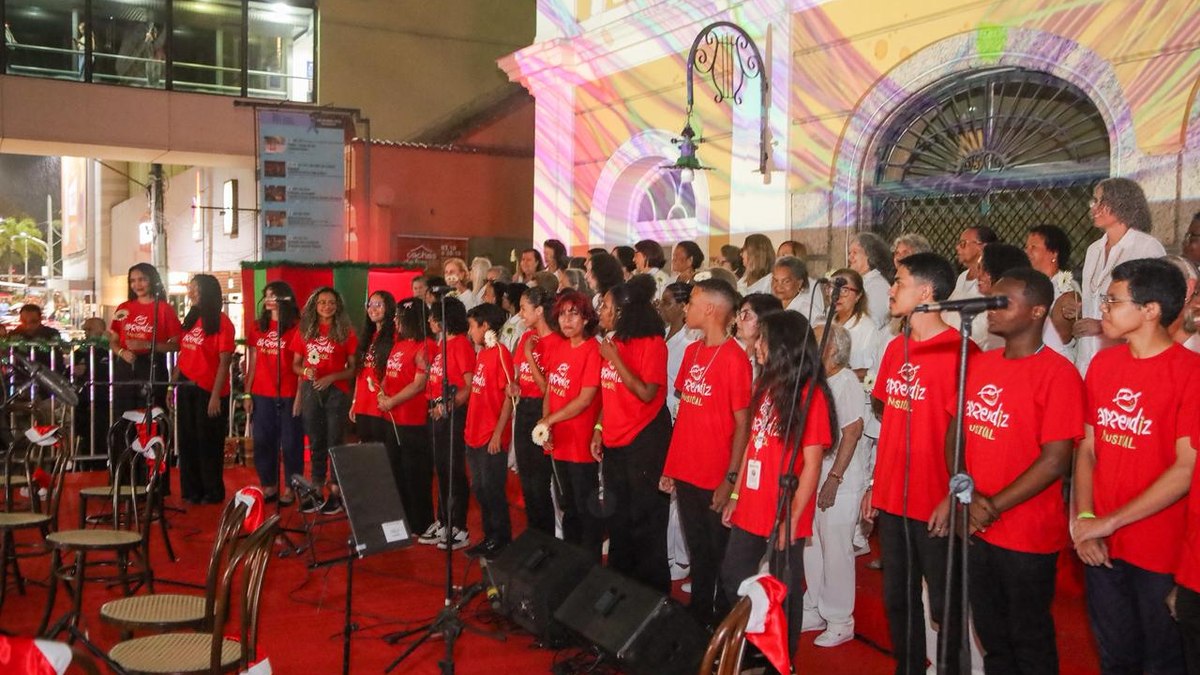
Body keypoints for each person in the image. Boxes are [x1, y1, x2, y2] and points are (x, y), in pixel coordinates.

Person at [1071, 258, 1200, 675]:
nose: (1103, 308)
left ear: (1151, 310)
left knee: (1163, 661)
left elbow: (1185, 470)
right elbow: (1088, 448)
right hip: (1102, 544)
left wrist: (1109, 522)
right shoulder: (1103, 365)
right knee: (1116, 658)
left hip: (1160, 549)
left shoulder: (1189, 373)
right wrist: (1086, 518)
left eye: (1113, 300)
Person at [956, 268, 1084, 675]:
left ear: (1036, 311)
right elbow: (954, 436)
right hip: (976, 523)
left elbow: (1055, 460)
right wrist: (966, 495)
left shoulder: (1059, 374)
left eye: (1003, 301)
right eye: (991, 299)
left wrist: (990, 503)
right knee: (992, 637)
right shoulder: (979, 364)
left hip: (1026, 534)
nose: (991, 309)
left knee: (1028, 639)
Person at [861, 252, 974, 675]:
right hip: (893, 497)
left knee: (946, 604)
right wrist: (876, 483)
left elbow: (966, 436)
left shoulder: (962, 352)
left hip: (935, 500)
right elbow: (890, 420)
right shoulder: (895, 347)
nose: (890, 289)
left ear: (926, 292)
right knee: (897, 599)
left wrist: (953, 495)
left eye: (899, 281)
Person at [720, 310, 834, 671]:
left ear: (782, 346)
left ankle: (783, 661)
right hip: (752, 502)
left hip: (786, 507)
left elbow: (812, 465)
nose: (756, 346)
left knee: (785, 589)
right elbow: (755, 444)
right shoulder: (766, 385)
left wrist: (792, 519)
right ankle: (752, 644)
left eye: (763, 340)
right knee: (733, 574)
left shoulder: (809, 395)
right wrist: (736, 497)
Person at [661, 278, 752, 628]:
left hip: (715, 473)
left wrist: (730, 480)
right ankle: (699, 613)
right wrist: (671, 464)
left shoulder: (735, 359)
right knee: (698, 549)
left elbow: (742, 425)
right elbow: (685, 413)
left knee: (720, 553)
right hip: (686, 468)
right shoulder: (690, 352)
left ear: (711, 309)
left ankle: (723, 624)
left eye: (694, 301)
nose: (687, 308)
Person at [593, 276, 672, 593]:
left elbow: (646, 392)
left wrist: (615, 359)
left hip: (644, 442)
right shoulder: (616, 341)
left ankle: (651, 593)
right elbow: (608, 392)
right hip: (615, 441)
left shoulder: (652, 344)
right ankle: (621, 587)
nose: (601, 310)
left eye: (607, 306)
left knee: (646, 522)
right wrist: (599, 427)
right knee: (619, 519)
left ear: (624, 312)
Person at [802, 323, 868, 649]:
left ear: (830, 349)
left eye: (814, 342)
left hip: (839, 482)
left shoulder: (847, 383)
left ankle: (841, 620)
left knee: (837, 551)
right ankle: (814, 606)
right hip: (815, 476)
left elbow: (853, 432)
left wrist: (833, 479)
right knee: (813, 546)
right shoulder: (819, 381)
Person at [1066, 177, 1166, 375]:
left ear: (1122, 203)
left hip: (1126, 358)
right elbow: (1097, 296)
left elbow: (1152, 311)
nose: (1093, 207)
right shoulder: (1093, 249)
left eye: (1099, 201)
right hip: (1087, 359)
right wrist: (1080, 308)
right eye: (1093, 201)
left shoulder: (1146, 246)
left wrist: (1102, 326)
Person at [538, 290, 604, 560]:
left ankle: (589, 563)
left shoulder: (594, 349)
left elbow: (586, 399)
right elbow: (551, 391)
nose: (567, 320)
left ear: (587, 318)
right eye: (563, 313)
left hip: (581, 442)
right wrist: (546, 428)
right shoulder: (559, 347)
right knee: (567, 506)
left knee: (585, 507)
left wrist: (549, 420)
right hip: (559, 440)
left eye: (574, 313)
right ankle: (570, 560)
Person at [290, 287, 357, 515]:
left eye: (331, 302)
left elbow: (353, 369)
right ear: (314, 306)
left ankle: (336, 494)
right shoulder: (305, 331)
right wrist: (305, 372)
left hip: (337, 391)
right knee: (316, 440)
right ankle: (317, 489)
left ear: (337, 305)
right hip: (311, 390)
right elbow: (295, 364)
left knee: (335, 441)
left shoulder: (346, 331)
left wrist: (332, 377)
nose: (326, 306)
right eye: (322, 303)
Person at [173, 274, 235, 505]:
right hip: (187, 385)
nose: (190, 293)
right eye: (190, 289)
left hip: (209, 388)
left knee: (208, 442)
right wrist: (174, 382)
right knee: (187, 440)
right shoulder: (191, 319)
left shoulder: (221, 322)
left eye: (195, 290)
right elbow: (184, 352)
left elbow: (225, 360)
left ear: (207, 293)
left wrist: (216, 396)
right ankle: (191, 490)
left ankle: (212, 491)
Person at [419, 297, 474, 550]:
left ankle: (458, 526)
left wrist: (449, 407)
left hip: (452, 414)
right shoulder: (443, 344)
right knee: (441, 469)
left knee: (452, 469)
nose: (429, 321)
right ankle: (444, 520)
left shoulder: (461, 344)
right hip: (436, 411)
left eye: (433, 316)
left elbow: (469, 383)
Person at [463, 303, 515, 560]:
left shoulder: (501, 353)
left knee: (491, 488)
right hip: (474, 432)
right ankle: (489, 536)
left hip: (490, 435)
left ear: (486, 326)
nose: (470, 331)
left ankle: (501, 539)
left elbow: (508, 397)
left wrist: (498, 433)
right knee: (481, 489)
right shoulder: (482, 353)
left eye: (473, 326)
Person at [244, 281, 303, 505]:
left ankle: (291, 486)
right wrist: (247, 393)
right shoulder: (258, 326)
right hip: (261, 392)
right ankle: (268, 485)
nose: (270, 300)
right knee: (263, 441)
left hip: (288, 393)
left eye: (275, 296)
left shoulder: (297, 327)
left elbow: (301, 364)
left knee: (290, 442)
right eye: (267, 295)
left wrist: (299, 396)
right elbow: (253, 361)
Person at [378, 299, 433, 536]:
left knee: (415, 474)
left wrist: (392, 401)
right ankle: (402, 519)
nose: (395, 321)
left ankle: (420, 522)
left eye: (399, 317)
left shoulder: (425, 346)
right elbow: (388, 374)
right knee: (395, 470)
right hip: (392, 419)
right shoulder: (399, 344)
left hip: (413, 420)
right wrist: (381, 391)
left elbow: (419, 384)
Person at [509, 286, 560, 536]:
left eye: (524, 308)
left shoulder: (555, 342)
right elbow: (520, 377)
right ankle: (533, 535)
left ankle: (546, 539)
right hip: (524, 408)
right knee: (526, 480)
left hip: (543, 411)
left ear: (539, 311)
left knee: (540, 482)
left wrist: (530, 356)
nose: (520, 314)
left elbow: (547, 388)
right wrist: (514, 385)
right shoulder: (525, 337)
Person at [109, 263, 181, 423]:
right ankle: (126, 447)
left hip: (152, 366)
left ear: (152, 280)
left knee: (153, 417)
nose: (137, 285)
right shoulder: (123, 307)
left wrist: (149, 345)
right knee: (125, 416)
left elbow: (177, 344)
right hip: (126, 367)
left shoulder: (164, 308)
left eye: (142, 279)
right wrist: (122, 352)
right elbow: (113, 340)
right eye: (133, 280)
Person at [660, 281, 697, 581]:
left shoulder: (687, 343)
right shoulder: (665, 334)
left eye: (667, 302)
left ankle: (682, 556)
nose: (661, 306)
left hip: (679, 416)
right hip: (662, 417)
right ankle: (671, 550)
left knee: (680, 493)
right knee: (668, 488)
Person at [350, 290, 399, 468]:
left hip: (381, 404)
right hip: (363, 403)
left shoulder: (395, 337)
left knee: (382, 453)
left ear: (389, 308)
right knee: (366, 450)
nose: (373, 309)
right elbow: (360, 372)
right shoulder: (367, 337)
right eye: (370, 305)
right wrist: (355, 400)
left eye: (379, 305)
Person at [1025, 224, 1081, 360]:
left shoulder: (1066, 286)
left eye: (1034, 247)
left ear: (1054, 253)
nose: (1027, 252)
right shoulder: (1031, 283)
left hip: (1056, 360)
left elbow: (1061, 336)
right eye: (1026, 247)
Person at [945, 225, 999, 349]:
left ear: (983, 247)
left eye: (963, 244)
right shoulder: (962, 277)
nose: (957, 247)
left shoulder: (989, 280)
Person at [975, 243, 1032, 351]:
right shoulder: (991, 306)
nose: (979, 275)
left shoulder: (1016, 312)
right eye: (978, 269)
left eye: (984, 270)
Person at [849, 232, 895, 329]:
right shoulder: (862, 281)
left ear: (870, 255)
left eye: (855, 252)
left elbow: (872, 323)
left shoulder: (878, 286)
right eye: (850, 253)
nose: (850, 257)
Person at [735, 293, 783, 383]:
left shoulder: (771, 361)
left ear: (765, 322)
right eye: (739, 314)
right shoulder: (726, 350)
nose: (737, 320)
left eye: (746, 315)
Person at [771, 255, 825, 321]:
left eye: (786, 281)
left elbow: (823, 328)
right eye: (775, 280)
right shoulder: (770, 306)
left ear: (799, 283)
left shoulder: (806, 309)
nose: (779, 286)